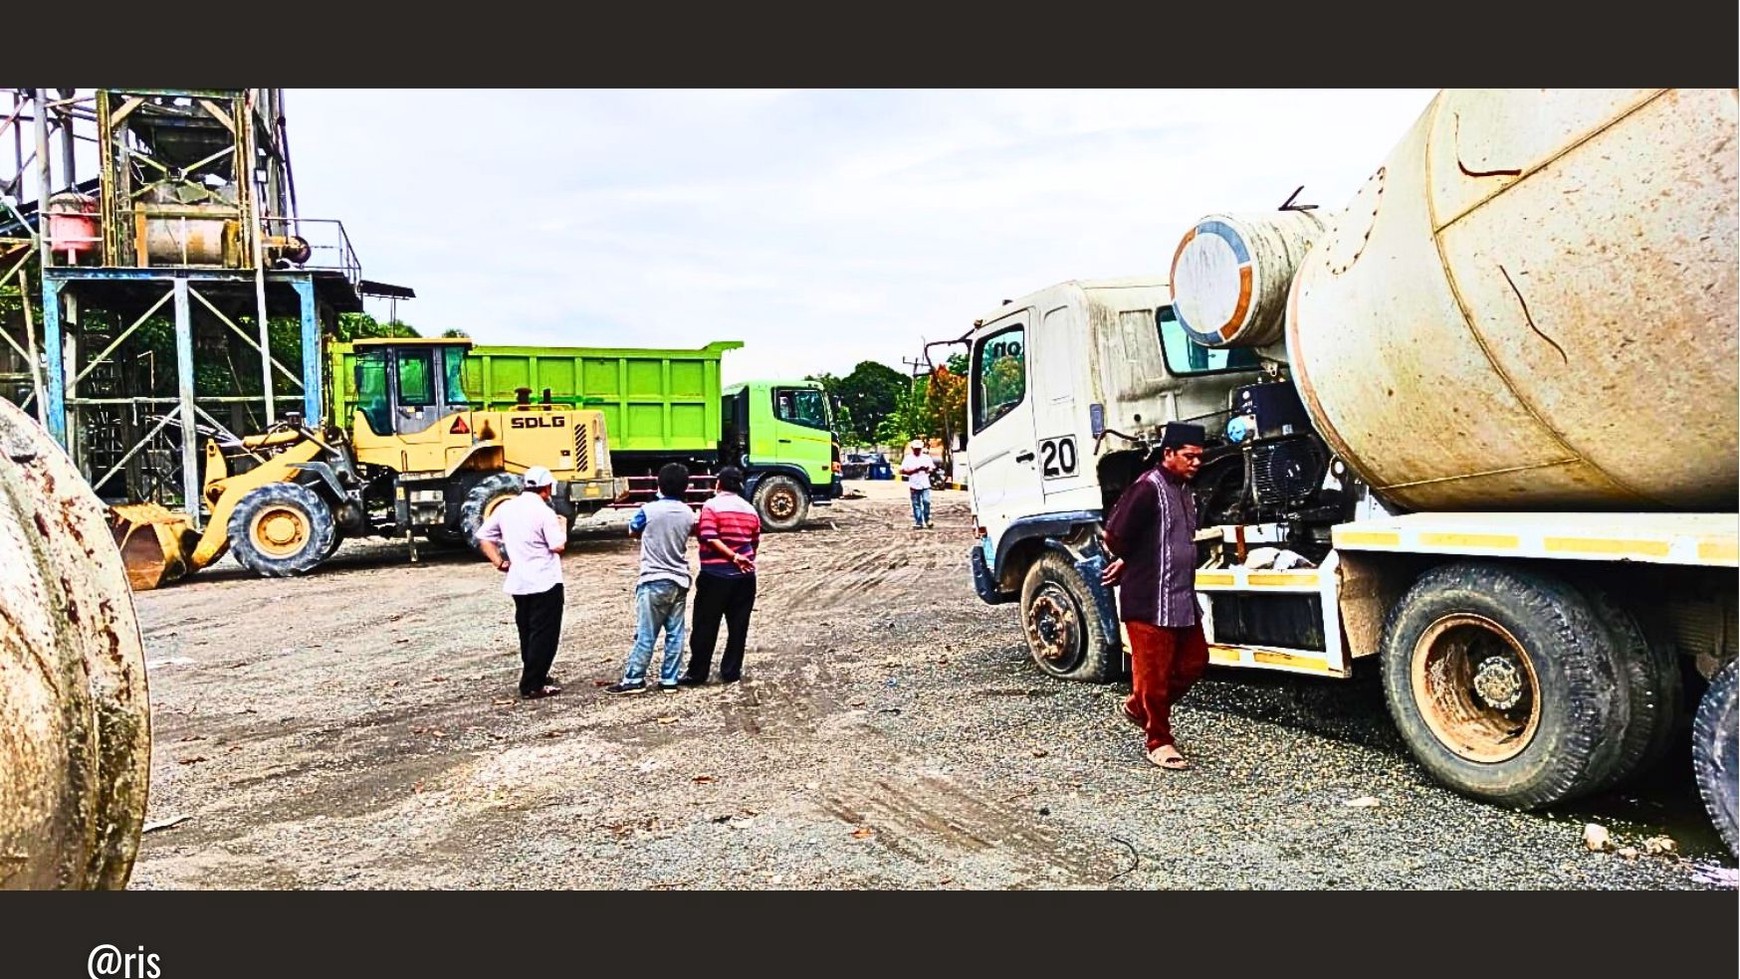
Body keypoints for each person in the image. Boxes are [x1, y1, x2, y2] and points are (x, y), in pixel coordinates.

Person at [1100, 422, 1209, 770]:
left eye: (1199, 458)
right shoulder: (1148, 489)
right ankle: (1158, 740)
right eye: (1189, 456)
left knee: (1195, 662)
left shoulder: (1185, 491)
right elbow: (1116, 535)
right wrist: (1128, 560)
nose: (1195, 463)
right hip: (1148, 597)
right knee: (1155, 676)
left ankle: (1138, 706)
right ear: (1168, 454)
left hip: (1180, 595)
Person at [475, 466, 569, 700]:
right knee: (544, 633)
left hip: (518, 580)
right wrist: (563, 526)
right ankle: (533, 684)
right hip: (545, 580)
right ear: (546, 489)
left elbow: (484, 537)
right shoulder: (544, 512)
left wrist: (499, 561)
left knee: (526, 630)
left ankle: (535, 671)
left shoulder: (506, 508)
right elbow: (557, 545)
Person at [606, 463, 697, 695]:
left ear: (659, 485)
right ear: (685, 487)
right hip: (680, 579)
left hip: (653, 578)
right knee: (675, 633)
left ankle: (634, 678)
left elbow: (632, 529)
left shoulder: (648, 510)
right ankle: (669, 679)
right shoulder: (689, 514)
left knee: (647, 633)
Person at [677, 466, 761, 686]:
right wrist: (742, 560)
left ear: (718, 484)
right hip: (744, 578)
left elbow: (709, 537)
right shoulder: (750, 510)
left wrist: (732, 557)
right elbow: (754, 543)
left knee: (705, 625)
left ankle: (698, 673)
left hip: (715, 576)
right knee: (738, 625)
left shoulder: (711, 507)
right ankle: (731, 671)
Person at [900, 438, 937, 529]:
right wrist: (916, 469)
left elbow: (932, 468)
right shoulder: (908, 458)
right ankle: (919, 521)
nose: (917, 450)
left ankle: (927, 519)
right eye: (916, 449)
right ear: (912, 448)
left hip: (925, 484)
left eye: (919, 449)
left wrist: (927, 469)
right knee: (916, 504)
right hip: (914, 484)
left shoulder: (926, 458)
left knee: (926, 502)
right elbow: (903, 470)